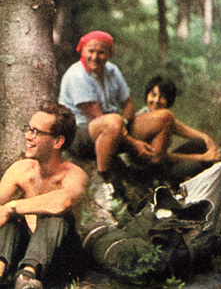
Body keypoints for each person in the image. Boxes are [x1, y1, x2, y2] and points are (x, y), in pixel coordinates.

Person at [59, 31, 175, 185]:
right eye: (90, 51)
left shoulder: (112, 70)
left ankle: (152, 172)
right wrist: (132, 143)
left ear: (109, 54)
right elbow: (97, 117)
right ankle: (104, 177)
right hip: (79, 133)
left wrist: (125, 124)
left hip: (114, 130)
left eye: (101, 52)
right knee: (113, 121)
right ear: (82, 50)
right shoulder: (77, 75)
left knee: (164, 117)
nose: (94, 57)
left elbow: (128, 104)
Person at [0, 101, 88, 289]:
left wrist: (11, 207)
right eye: (28, 129)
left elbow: (62, 202)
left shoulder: (75, 175)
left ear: (58, 141)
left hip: (60, 261)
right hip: (23, 252)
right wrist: (7, 212)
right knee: (9, 221)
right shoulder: (21, 170)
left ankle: (26, 278)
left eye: (36, 132)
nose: (28, 137)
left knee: (56, 215)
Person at [132, 76, 221, 185]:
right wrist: (202, 157)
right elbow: (161, 157)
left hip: (163, 165)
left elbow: (186, 130)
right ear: (147, 95)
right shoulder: (142, 117)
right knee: (196, 166)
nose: (156, 101)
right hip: (148, 171)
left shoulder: (164, 118)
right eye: (153, 95)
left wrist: (206, 139)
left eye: (162, 97)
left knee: (200, 143)